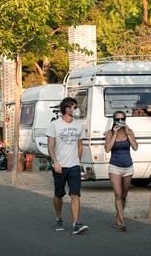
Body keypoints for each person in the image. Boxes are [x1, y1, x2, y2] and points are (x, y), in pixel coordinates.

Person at [46, 97, 89, 235]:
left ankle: (76, 223)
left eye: (76, 107)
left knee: (75, 194)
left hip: (74, 166)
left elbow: (80, 145)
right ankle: (59, 218)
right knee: (59, 194)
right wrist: (55, 162)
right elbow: (50, 146)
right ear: (66, 108)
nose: (75, 109)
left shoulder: (79, 125)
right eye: (73, 107)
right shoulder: (54, 125)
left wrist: (78, 161)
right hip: (59, 165)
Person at [104, 110, 138, 232]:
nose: (120, 121)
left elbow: (135, 147)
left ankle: (118, 217)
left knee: (124, 195)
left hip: (128, 167)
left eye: (122, 119)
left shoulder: (129, 132)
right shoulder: (109, 133)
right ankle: (122, 221)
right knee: (118, 194)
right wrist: (114, 134)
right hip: (115, 167)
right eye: (117, 119)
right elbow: (108, 149)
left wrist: (128, 134)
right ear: (114, 120)